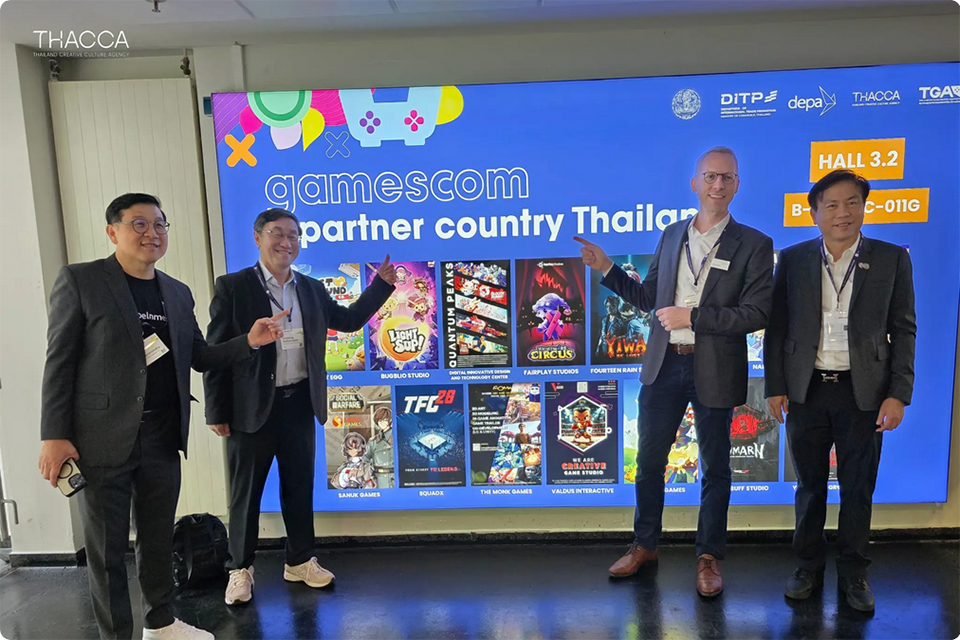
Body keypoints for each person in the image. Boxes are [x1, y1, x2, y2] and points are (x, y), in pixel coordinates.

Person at [37, 193, 284, 640]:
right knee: (108, 552)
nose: (152, 233)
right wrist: (54, 435)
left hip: (162, 434)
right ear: (112, 231)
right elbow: (60, 362)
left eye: (159, 224)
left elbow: (200, 356)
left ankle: (161, 623)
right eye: (139, 224)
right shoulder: (82, 281)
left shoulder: (176, 291)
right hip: (101, 438)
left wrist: (248, 341)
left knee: (155, 541)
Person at [575, 146, 773, 597]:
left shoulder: (754, 244)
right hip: (664, 365)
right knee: (648, 463)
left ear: (737, 185)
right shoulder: (671, 235)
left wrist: (694, 317)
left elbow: (757, 313)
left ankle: (709, 556)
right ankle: (645, 545)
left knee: (715, 468)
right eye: (710, 177)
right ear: (695, 183)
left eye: (726, 178)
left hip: (715, 367)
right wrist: (606, 267)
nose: (717, 185)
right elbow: (649, 299)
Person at [202, 208, 396, 607]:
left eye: (293, 235)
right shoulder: (233, 287)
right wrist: (216, 411)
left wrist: (381, 286)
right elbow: (216, 352)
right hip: (251, 409)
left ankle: (300, 560)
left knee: (298, 488)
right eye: (277, 233)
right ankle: (240, 568)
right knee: (246, 495)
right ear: (257, 237)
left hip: (299, 403)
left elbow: (347, 320)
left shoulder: (310, 287)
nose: (286, 242)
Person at [764, 170, 915, 613]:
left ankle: (854, 574)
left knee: (858, 489)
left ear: (864, 208)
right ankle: (807, 566)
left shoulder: (891, 259)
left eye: (852, 203)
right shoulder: (793, 259)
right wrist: (775, 386)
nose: (842, 213)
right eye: (831, 205)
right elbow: (777, 328)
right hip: (807, 390)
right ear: (815, 213)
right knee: (810, 488)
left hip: (863, 393)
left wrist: (898, 393)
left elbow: (904, 329)